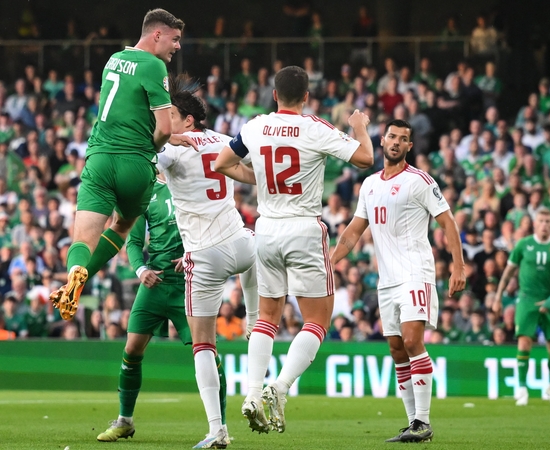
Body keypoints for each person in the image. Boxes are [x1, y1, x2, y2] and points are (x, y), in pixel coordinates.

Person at [214, 65, 374, 434]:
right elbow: (365, 159)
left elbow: (223, 162)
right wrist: (359, 125)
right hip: (302, 227)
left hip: (266, 228)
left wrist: (259, 177)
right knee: (316, 319)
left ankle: (252, 392)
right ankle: (280, 387)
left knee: (267, 317)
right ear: (306, 97)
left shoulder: (255, 126)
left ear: (273, 95)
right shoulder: (314, 127)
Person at [49, 9, 196, 321]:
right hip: (135, 164)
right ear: (157, 34)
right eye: (175, 39)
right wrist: (154, 149)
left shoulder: (113, 59)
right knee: (123, 223)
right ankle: (84, 276)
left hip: (99, 159)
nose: (178, 46)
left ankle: (75, 273)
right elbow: (165, 128)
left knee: (82, 239)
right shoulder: (154, 66)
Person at [332, 119, 466, 443]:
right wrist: (329, 261)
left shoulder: (420, 181)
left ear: (409, 146)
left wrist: (458, 267)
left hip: (416, 272)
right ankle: (412, 424)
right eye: (391, 136)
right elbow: (353, 231)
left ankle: (423, 420)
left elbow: (447, 222)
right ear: (382, 141)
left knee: (411, 340)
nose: (395, 142)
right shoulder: (369, 185)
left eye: (403, 139)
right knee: (395, 349)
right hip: (387, 280)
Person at [156, 74, 260, 448]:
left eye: (168, 114)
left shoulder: (171, 146)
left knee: (203, 344)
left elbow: (140, 147)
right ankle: (254, 317)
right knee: (254, 251)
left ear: (187, 120)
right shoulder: (222, 140)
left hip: (205, 254)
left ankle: (217, 429)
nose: (162, 121)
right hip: (241, 243)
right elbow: (251, 166)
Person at [94, 171, 231, 447]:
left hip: (189, 282)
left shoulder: (194, 184)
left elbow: (215, 228)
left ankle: (221, 427)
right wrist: (140, 268)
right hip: (154, 283)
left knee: (206, 350)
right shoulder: (145, 191)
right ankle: (125, 420)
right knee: (132, 349)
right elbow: (132, 241)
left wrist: (196, 254)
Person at [492, 206, 550, 407]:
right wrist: (498, 297)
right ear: (535, 224)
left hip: (549, 300)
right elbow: (508, 273)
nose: (544, 225)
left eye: (548, 222)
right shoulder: (523, 245)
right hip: (526, 300)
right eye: (541, 222)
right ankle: (522, 388)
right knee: (524, 342)